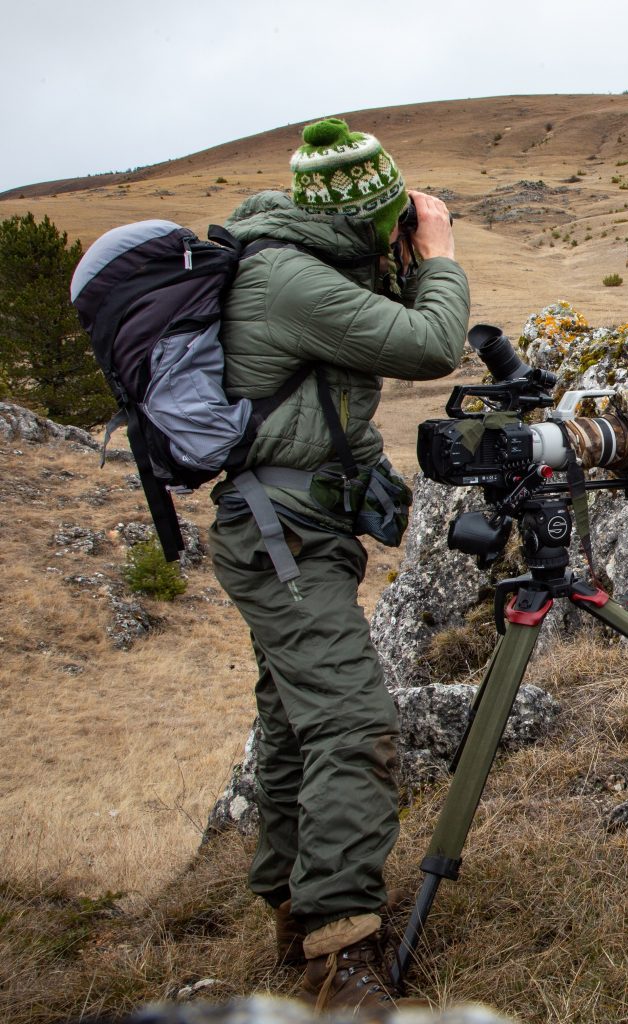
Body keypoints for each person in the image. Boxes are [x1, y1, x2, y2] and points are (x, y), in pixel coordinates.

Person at [207, 117, 470, 1013]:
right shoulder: (285, 278)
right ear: (367, 217)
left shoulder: (307, 261)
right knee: (354, 724)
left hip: (294, 531)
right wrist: (434, 251)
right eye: (393, 218)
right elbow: (431, 343)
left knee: (292, 724)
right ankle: (342, 955)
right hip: (277, 536)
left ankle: (291, 913)